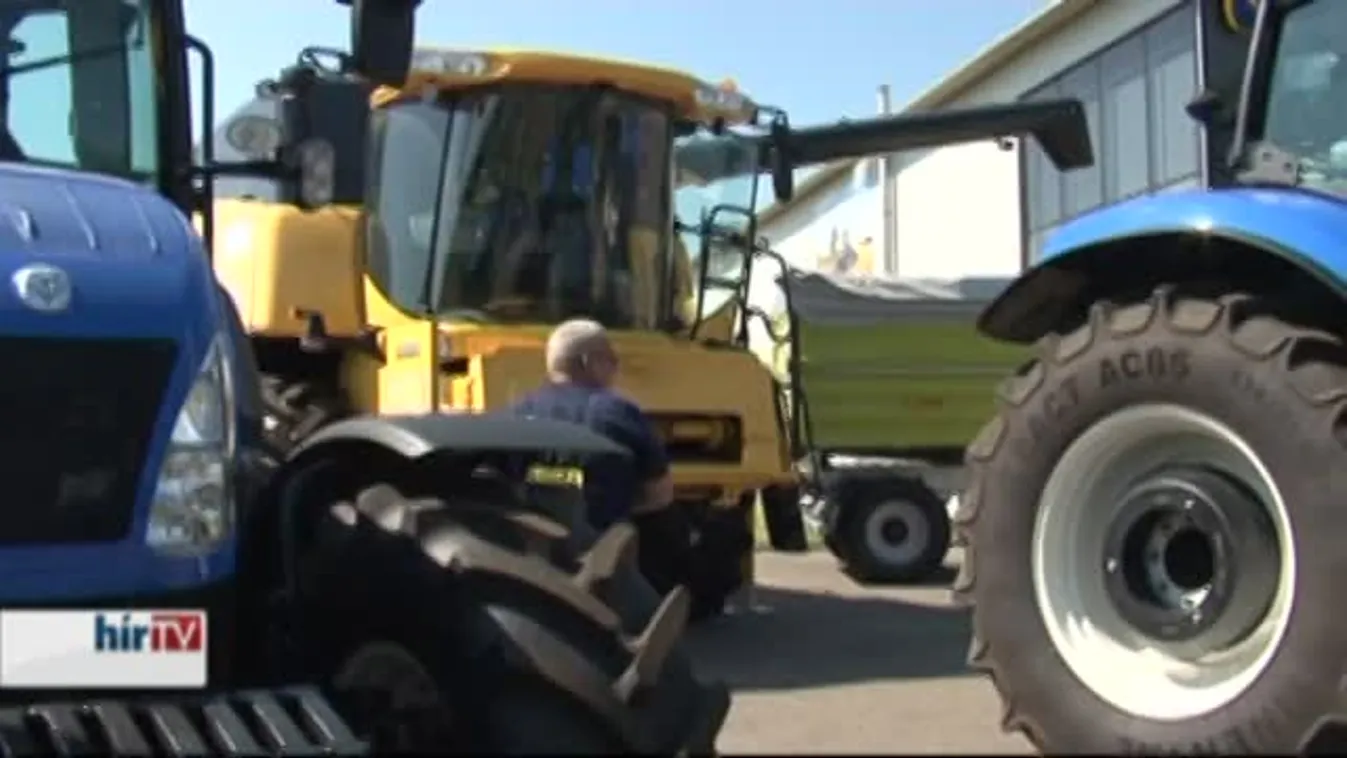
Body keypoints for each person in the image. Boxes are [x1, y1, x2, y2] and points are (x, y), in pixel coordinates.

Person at [509, 318, 674, 530]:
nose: (616, 364)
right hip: (601, 548)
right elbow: (660, 494)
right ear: (587, 362)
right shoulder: (620, 414)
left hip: (531, 545)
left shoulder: (516, 413)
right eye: (610, 358)